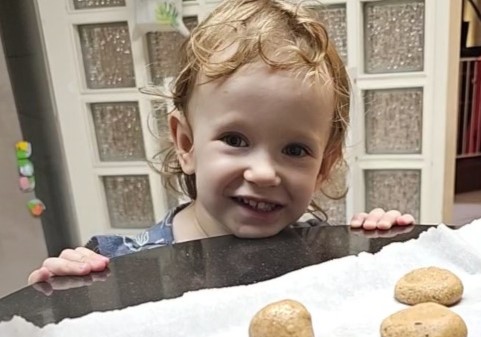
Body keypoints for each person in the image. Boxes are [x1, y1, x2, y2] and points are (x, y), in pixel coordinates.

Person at [28, 0, 414, 285]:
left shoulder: (324, 251)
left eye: (295, 150)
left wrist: (377, 244)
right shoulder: (127, 267)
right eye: (235, 139)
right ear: (187, 143)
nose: (263, 173)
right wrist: (56, 293)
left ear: (324, 166)